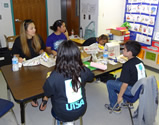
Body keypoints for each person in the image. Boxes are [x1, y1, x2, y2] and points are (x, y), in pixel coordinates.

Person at [39, 40, 94, 124]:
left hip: (62, 113)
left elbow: (47, 91)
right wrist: (81, 66)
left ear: (60, 56)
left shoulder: (54, 76)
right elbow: (91, 77)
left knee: (56, 93)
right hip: (81, 109)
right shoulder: (83, 70)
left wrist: (45, 100)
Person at [105, 40, 146, 113]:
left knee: (109, 83)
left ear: (129, 53)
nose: (122, 50)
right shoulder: (139, 62)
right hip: (138, 88)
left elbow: (125, 84)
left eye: (124, 49)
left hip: (131, 90)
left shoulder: (127, 65)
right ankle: (126, 102)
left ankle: (114, 106)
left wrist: (120, 96)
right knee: (118, 79)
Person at [12, 19, 46, 107]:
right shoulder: (19, 41)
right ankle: (33, 97)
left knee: (45, 76)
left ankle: (44, 95)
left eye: (34, 28)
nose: (34, 30)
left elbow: (41, 50)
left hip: (38, 64)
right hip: (26, 66)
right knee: (30, 81)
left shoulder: (37, 37)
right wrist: (18, 58)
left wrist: (43, 53)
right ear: (25, 30)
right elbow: (15, 54)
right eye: (31, 28)